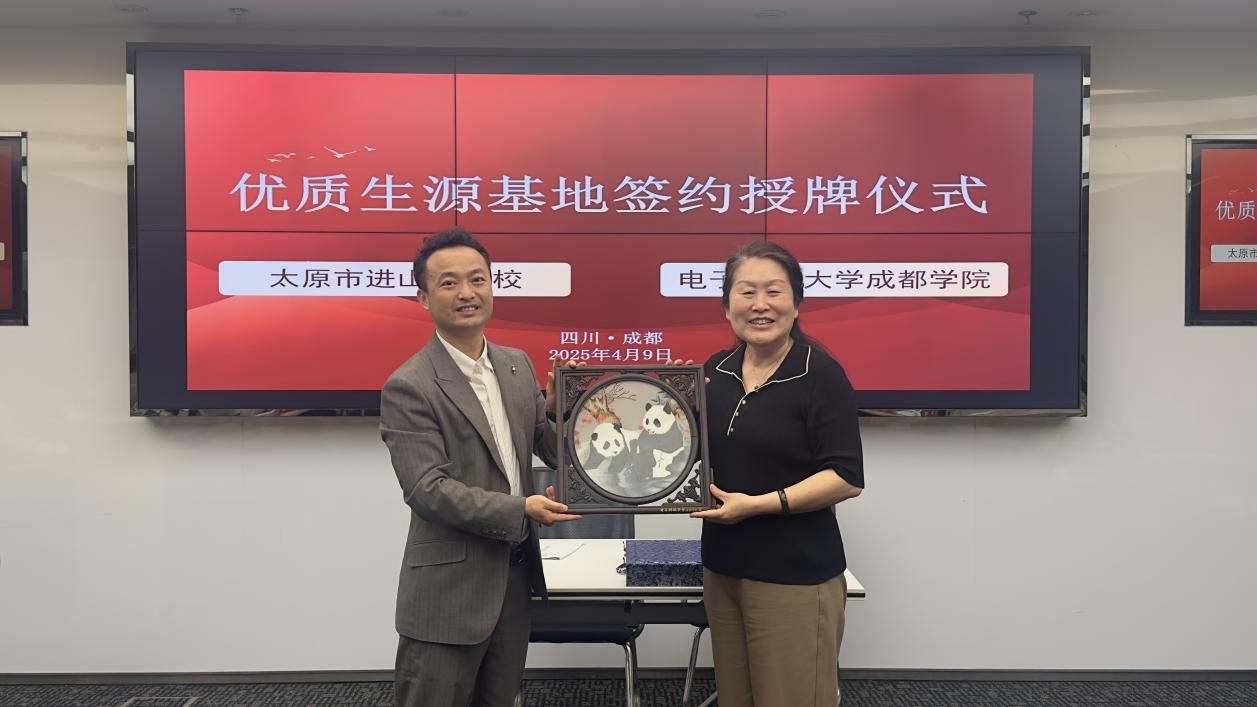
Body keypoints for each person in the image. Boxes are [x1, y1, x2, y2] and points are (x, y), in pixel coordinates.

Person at [380, 226, 580, 707]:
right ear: (423, 298)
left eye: (477, 279)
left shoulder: (517, 365)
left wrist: (561, 412)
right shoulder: (410, 385)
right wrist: (520, 509)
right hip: (448, 591)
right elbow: (427, 489)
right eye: (448, 283)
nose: (467, 293)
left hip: (513, 580)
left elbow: (552, 451)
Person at [691, 240, 865, 707]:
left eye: (774, 291)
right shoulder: (714, 372)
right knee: (737, 698)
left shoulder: (820, 374)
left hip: (794, 573)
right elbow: (678, 450)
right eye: (746, 292)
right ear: (727, 305)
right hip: (723, 566)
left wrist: (760, 505)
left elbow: (846, 476)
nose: (760, 304)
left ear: (796, 302)